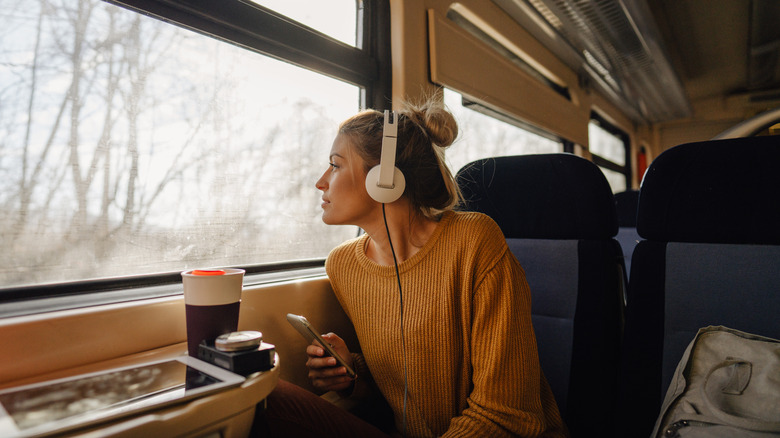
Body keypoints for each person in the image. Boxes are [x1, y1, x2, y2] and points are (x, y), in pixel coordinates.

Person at [253, 98, 568, 437]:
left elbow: (507, 415)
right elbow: (406, 389)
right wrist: (352, 374)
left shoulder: (475, 240)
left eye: (335, 165)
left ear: (383, 178)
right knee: (266, 398)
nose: (321, 181)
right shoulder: (343, 265)